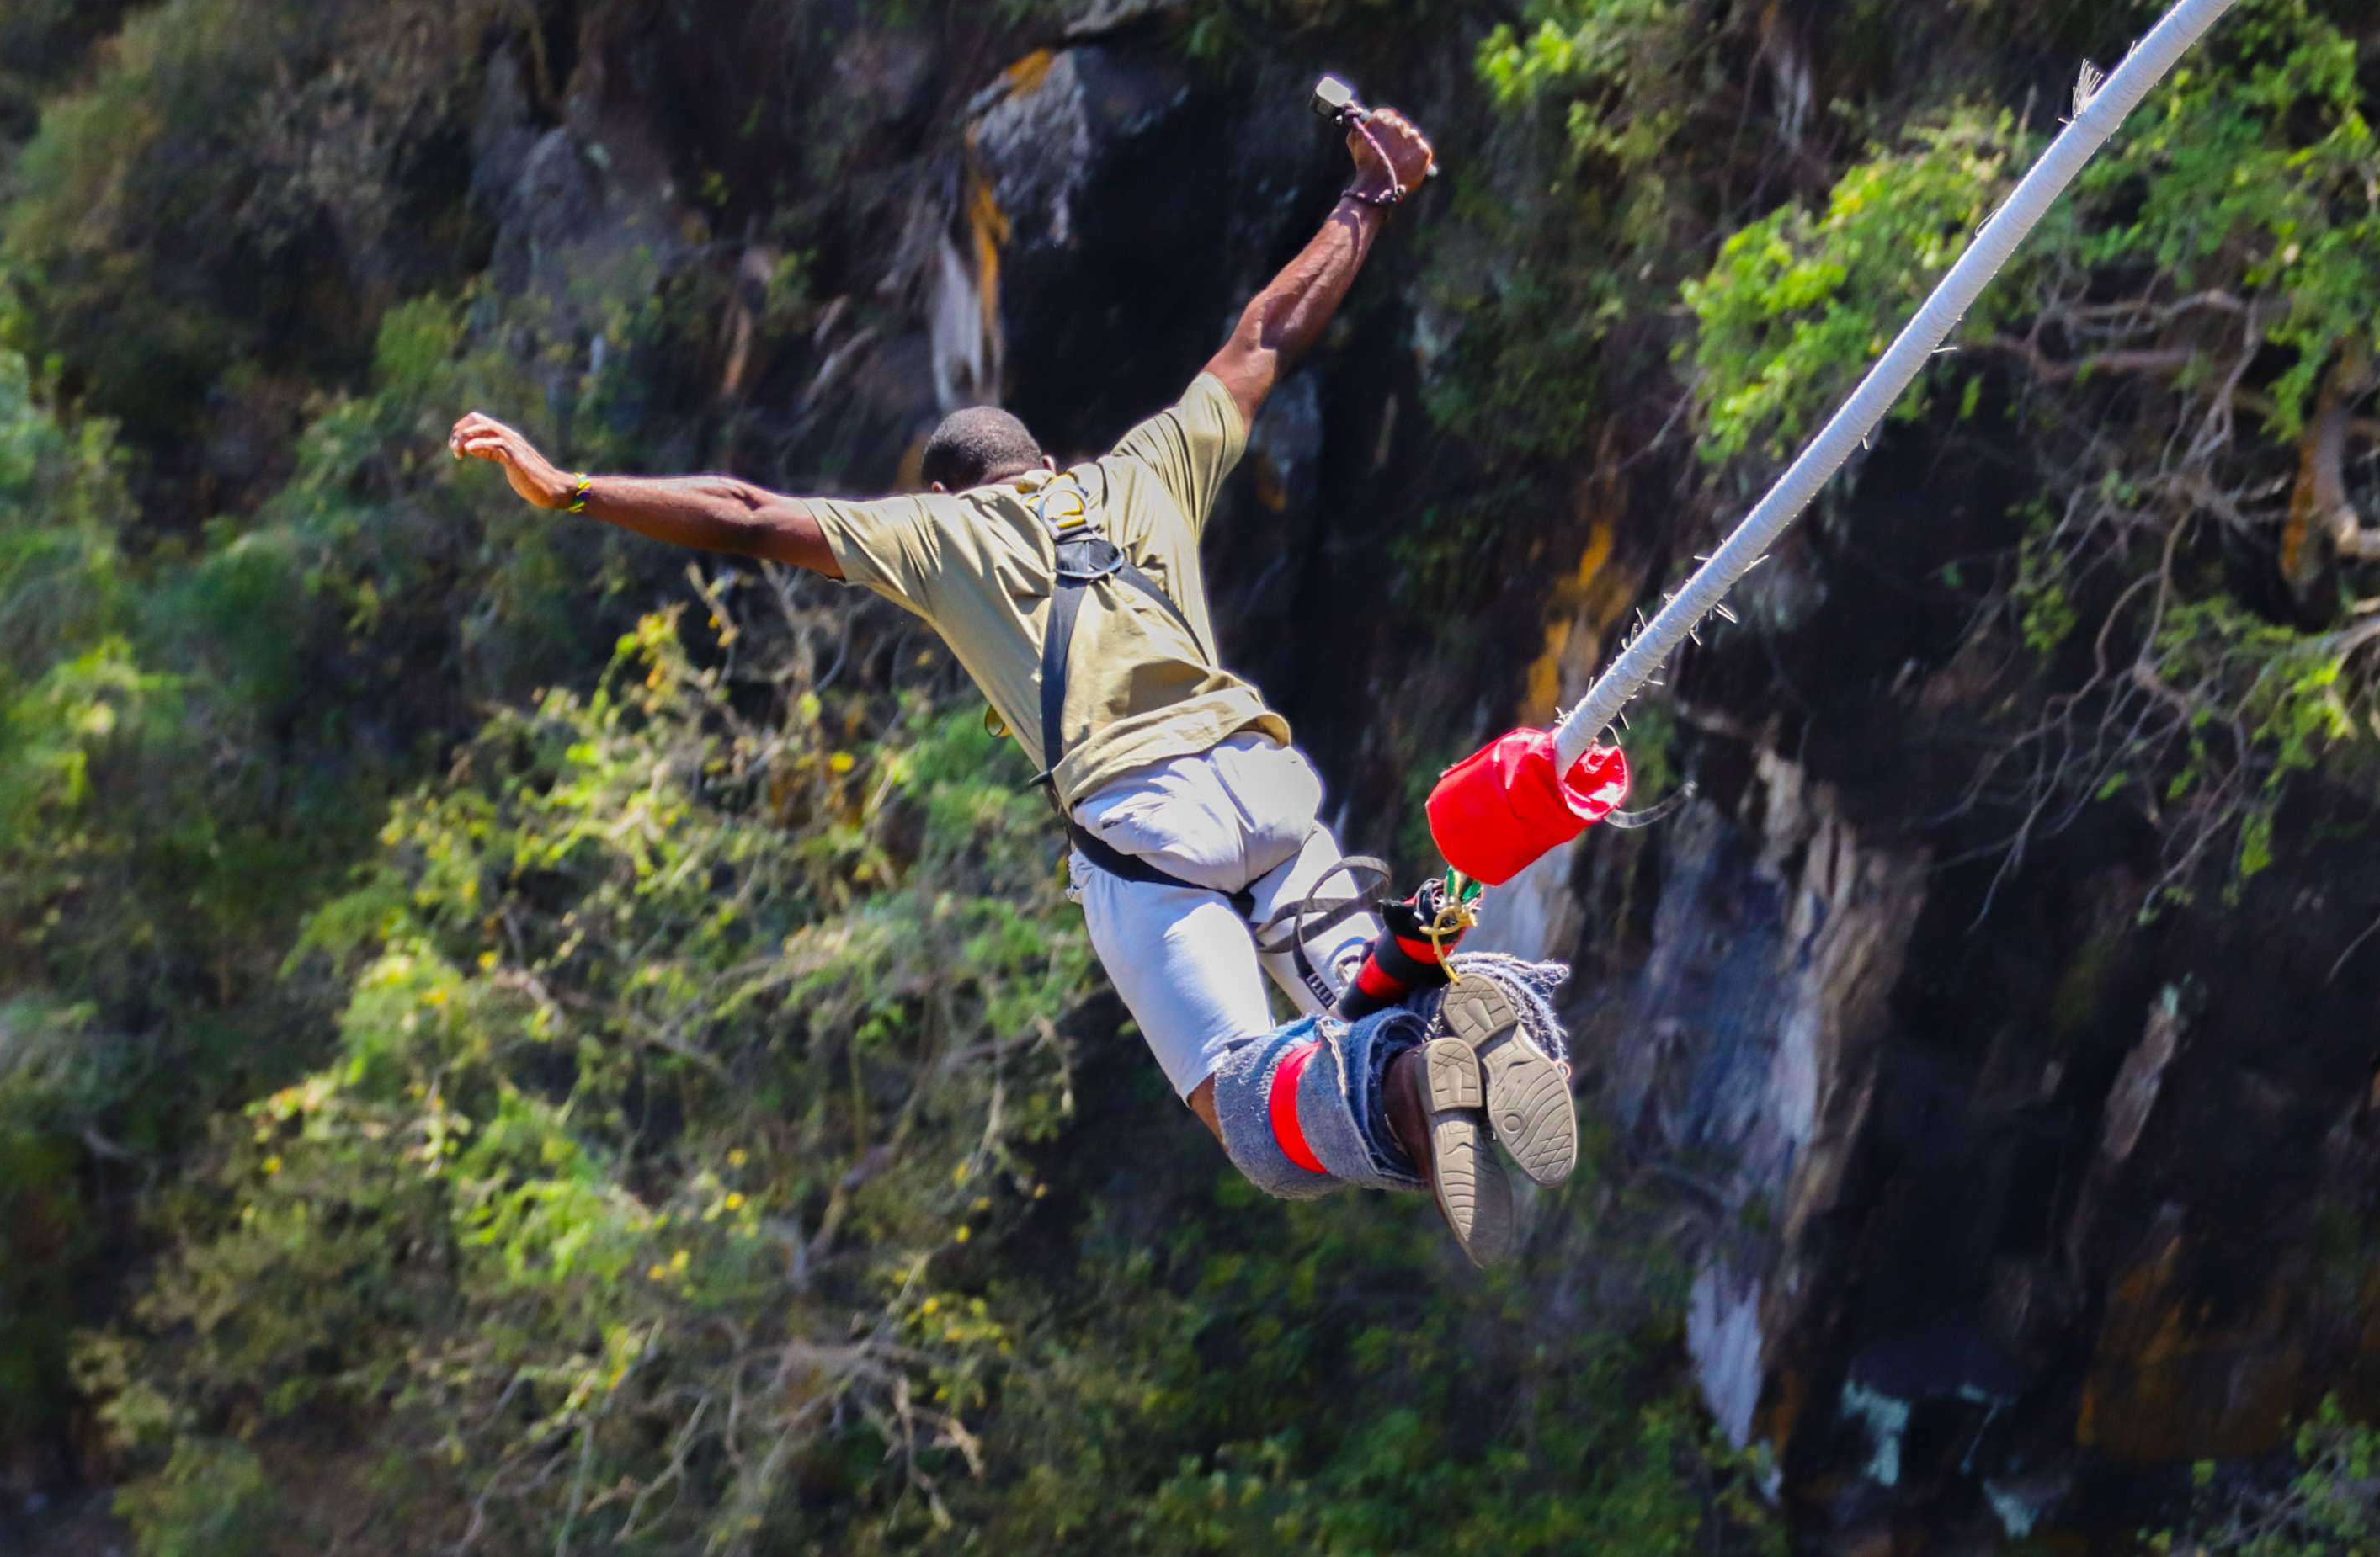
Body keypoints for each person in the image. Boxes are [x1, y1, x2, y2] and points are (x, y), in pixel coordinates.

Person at [450, 103, 1575, 1265]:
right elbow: (1263, 338)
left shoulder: (942, 541)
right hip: (1266, 787)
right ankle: (1438, 1044)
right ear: (1043, 464)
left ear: (948, 497)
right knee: (1368, 996)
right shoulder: (1141, 472)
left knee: (1251, 1107)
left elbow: (748, 513)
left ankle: (1399, 1094)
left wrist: (569, 484)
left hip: (1144, 821)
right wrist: (1369, 195)